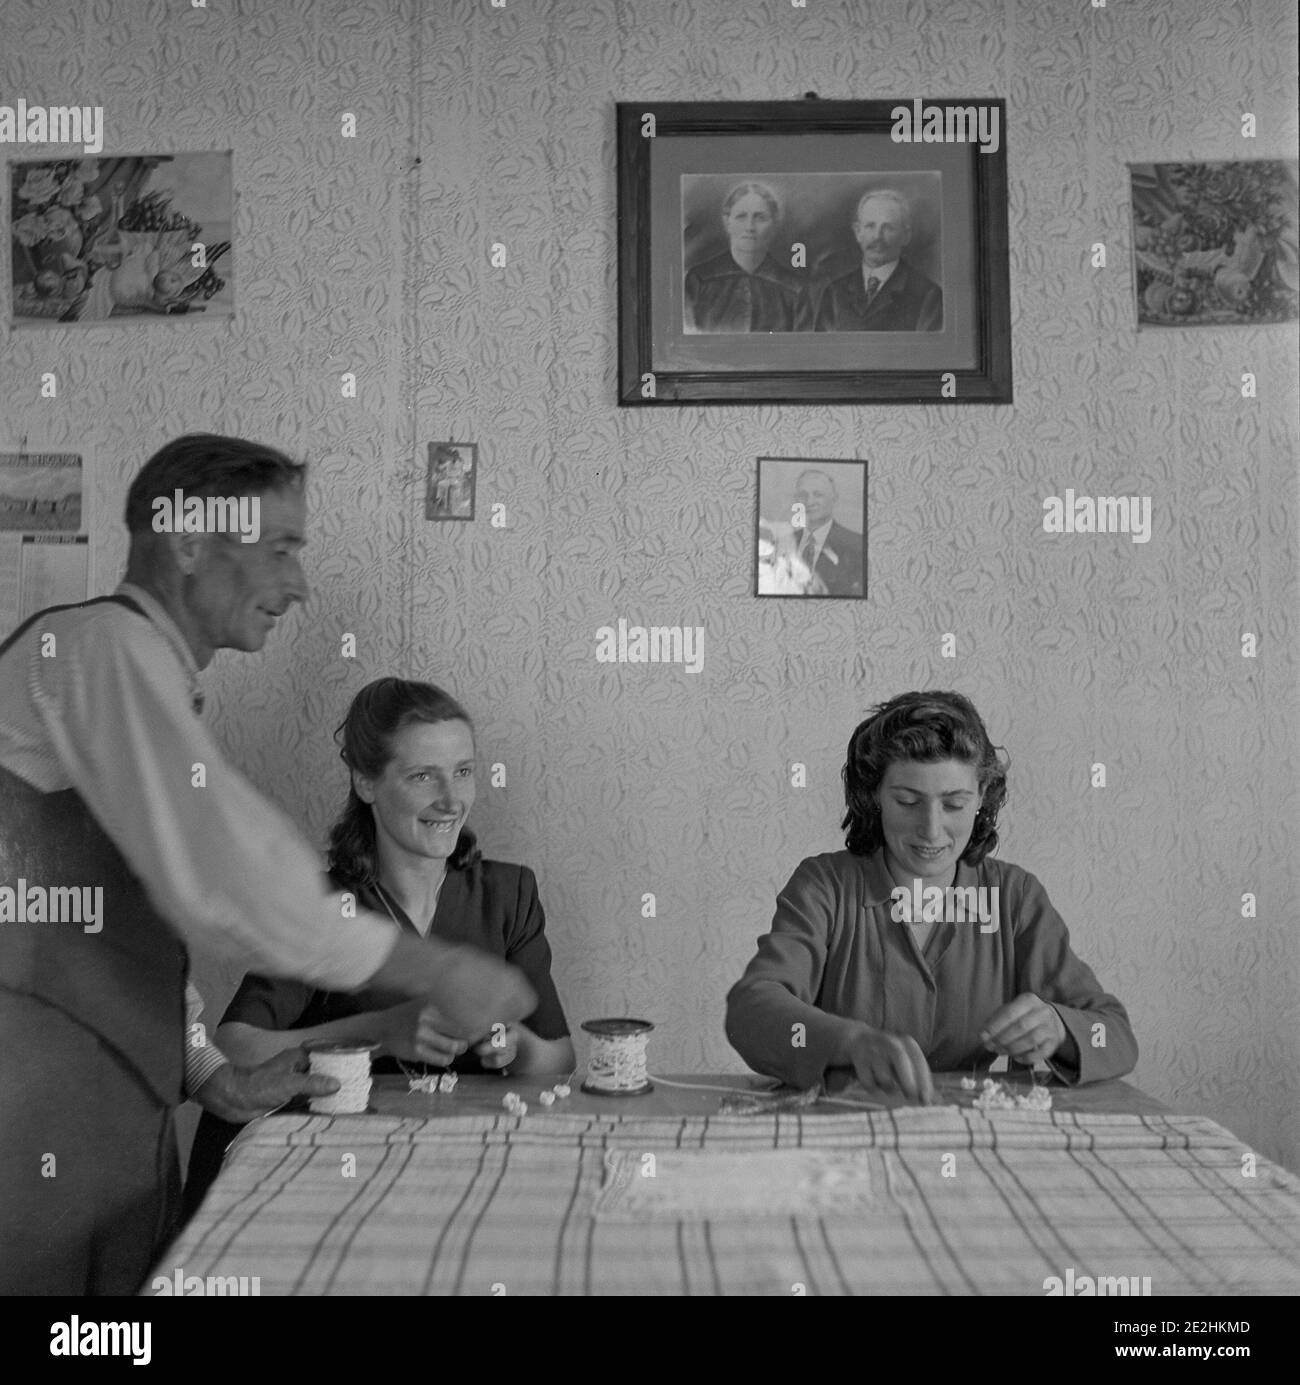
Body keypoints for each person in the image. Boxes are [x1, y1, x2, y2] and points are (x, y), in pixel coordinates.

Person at [0, 434, 534, 1295]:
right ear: (185, 538)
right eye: (280, 547)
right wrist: (429, 965)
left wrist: (215, 1076)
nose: (299, 584)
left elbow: (122, 921)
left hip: (110, 1119)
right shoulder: (100, 647)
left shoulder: (135, 676)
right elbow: (224, 869)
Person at [185, 679, 575, 1212]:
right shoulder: (320, 907)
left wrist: (512, 1046)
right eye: (422, 776)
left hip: (458, 1175)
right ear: (366, 781)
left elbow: (556, 1060)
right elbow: (234, 1050)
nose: (451, 799)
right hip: (331, 1182)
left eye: (463, 772)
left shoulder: (509, 894)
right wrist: (381, 1035)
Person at [725, 691, 1137, 1102]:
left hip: (970, 1136)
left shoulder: (1014, 898)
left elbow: (1112, 1034)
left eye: (954, 804)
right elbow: (752, 1011)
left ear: (982, 799)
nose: (932, 829)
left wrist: (1060, 1028)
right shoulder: (825, 887)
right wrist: (849, 1043)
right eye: (907, 802)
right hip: (845, 1131)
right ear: (875, 799)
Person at [684, 181, 812, 333]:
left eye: (760, 218)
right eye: (741, 217)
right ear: (727, 222)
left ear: (775, 224)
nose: (750, 227)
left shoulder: (795, 289)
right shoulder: (699, 280)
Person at [813, 189, 943, 332]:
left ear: (906, 235)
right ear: (858, 232)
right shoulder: (833, 293)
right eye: (870, 226)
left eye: (888, 227)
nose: (877, 237)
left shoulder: (928, 296)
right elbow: (821, 352)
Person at [789, 469, 863, 597]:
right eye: (803, 495)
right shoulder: (784, 542)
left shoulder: (857, 544)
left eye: (818, 495)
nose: (809, 502)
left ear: (834, 498)